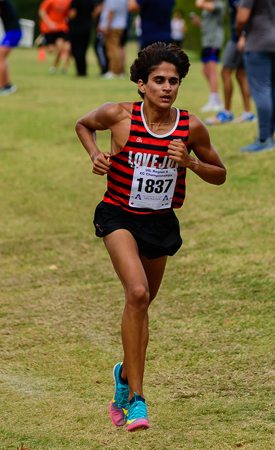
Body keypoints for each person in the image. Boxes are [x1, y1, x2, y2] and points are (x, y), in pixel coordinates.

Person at [75, 42, 226, 431]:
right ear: (141, 84)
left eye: (174, 81)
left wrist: (190, 162)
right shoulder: (119, 115)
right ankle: (137, 401)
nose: (167, 87)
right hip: (119, 215)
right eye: (158, 80)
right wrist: (95, 154)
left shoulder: (190, 127)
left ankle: (124, 374)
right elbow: (83, 124)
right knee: (137, 294)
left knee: (142, 307)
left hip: (160, 223)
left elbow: (220, 172)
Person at [235, 0, 275, 153]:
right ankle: (271, 134)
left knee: (262, 89)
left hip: (258, 43)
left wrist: (239, 31)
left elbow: (242, 18)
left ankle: (264, 138)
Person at [205, 0, 256, 125]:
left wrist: (242, 36)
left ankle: (227, 112)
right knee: (241, 75)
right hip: (245, 38)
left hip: (237, 39)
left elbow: (242, 13)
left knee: (225, 73)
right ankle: (248, 113)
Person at [194, 0, 225, 113]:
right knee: (205, 71)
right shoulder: (207, 9)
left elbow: (199, 3)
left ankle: (215, 100)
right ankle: (214, 97)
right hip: (206, 42)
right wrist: (198, 22)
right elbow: (205, 25)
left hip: (214, 42)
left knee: (212, 71)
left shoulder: (219, 5)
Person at [38, 0, 72, 74]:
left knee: (62, 47)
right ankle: (43, 41)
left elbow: (69, 13)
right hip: (48, 28)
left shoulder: (68, 2)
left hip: (61, 27)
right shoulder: (50, 1)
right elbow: (41, 11)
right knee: (51, 50)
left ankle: (58, 66)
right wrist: (49, 23)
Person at [98, 0, 128, 79]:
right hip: (121, 25)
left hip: (113, 26)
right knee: (118, 48)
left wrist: (107, 26)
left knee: (112, 49)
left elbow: (111, 11)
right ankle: (121, 70)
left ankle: (114, 70)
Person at [68, 0, 95, 77]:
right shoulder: (90, 1)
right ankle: (84, 71)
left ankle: (80, 72)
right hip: (87, 29)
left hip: (76, 29)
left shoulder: (75, 1)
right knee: (83, 51)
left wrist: (67, 16)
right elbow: (93, 14)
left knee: (77, 51)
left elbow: (72, 14)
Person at [0, 0, 22, 96]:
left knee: (0, 58)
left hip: (13, 32)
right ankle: (7, 85)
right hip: (11, 32)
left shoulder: (4, 2)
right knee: (2, 58)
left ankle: (1, 87)